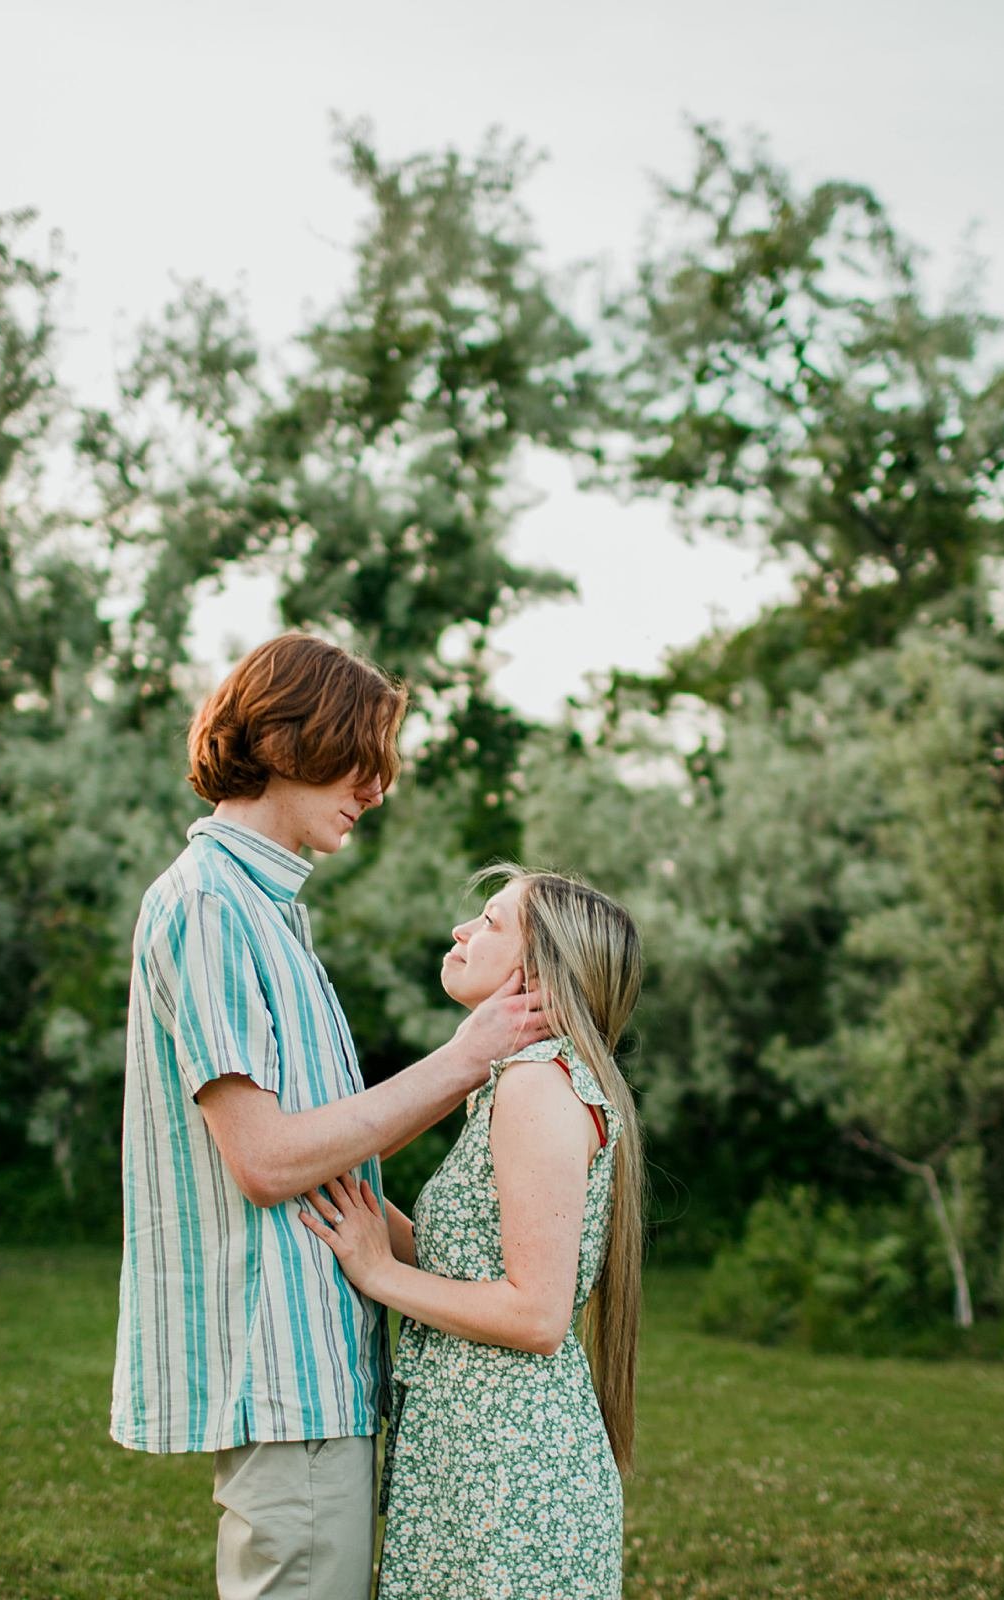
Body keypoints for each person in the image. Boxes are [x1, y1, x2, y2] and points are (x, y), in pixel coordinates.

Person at [112, 632, 553, 1600]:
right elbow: (267, 1161)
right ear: (279, 739)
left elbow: (327, 1143)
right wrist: (464, 1057)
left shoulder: (268, 912)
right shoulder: (211, 907)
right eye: (359, 758)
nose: (375, 786)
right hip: (284, 1355)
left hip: (319, 1353)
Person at [299, 865, 645, 1600]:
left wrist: (378, 1274)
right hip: (472, 1453)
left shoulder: (535, 1088)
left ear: (535, 968)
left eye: (489, 921)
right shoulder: (510, 1083)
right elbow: (472, 1265)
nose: (461, 931)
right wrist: (352, 1206)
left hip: (512, 1477)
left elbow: (536, 1315)